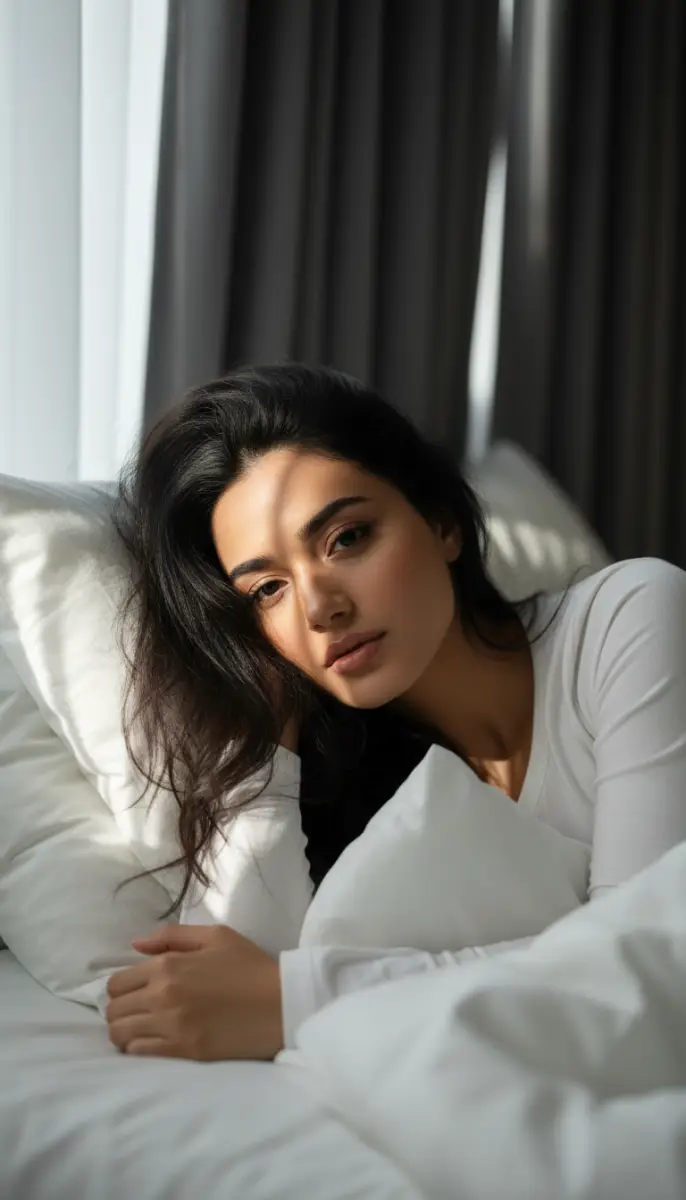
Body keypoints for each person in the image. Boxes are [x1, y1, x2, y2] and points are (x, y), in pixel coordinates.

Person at [104, 362, 686, 1062]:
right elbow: (232, 985)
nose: (320, 608)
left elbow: (648, 964)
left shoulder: (631, 619)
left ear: (440, 521)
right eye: (267, 589)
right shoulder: (357, 791)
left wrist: (303, 1001)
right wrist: (265, 742)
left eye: (345, 538)